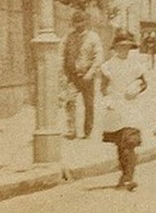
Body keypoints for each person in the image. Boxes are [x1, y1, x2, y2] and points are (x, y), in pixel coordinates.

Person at [100, 30, 148, 191]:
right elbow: (104, 87)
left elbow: (143, 82)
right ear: (115, 47)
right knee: (121, 144)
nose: (124, 50)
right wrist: (107, 100)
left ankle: (128, 177)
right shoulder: (108, 66)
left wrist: (136, 88)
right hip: (116, 106)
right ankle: (124, 175)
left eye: (127, 47)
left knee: (130, 142)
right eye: (121, 47)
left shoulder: (135, 64)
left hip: (132, 105)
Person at [60, 11, 104, 139]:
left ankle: (87, 131)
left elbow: (99, 57)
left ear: (86, 22)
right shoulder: (68, 38)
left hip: (87, 76)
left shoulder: (93, 37)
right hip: (72, 76)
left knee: (88, 105)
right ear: (73, 23)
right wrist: (63, 73)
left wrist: (91, 72)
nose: (79, 25)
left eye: (82, 22)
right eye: (76, 22)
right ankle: (71, 130)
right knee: (70, 101)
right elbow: (62, 54)